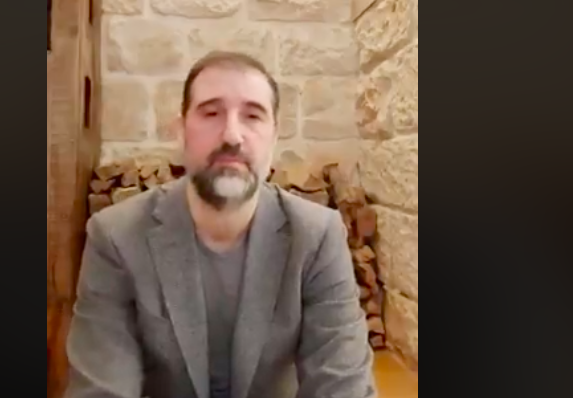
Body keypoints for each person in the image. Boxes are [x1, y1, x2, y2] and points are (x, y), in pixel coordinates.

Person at [64, 51, 377, 398]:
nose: (231, 135)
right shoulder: (116, 237)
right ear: (181, 130)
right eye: (211, 113)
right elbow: (101, 389)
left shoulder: (317, 236)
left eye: (253, 116)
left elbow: (342, 386)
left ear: (274, 136)